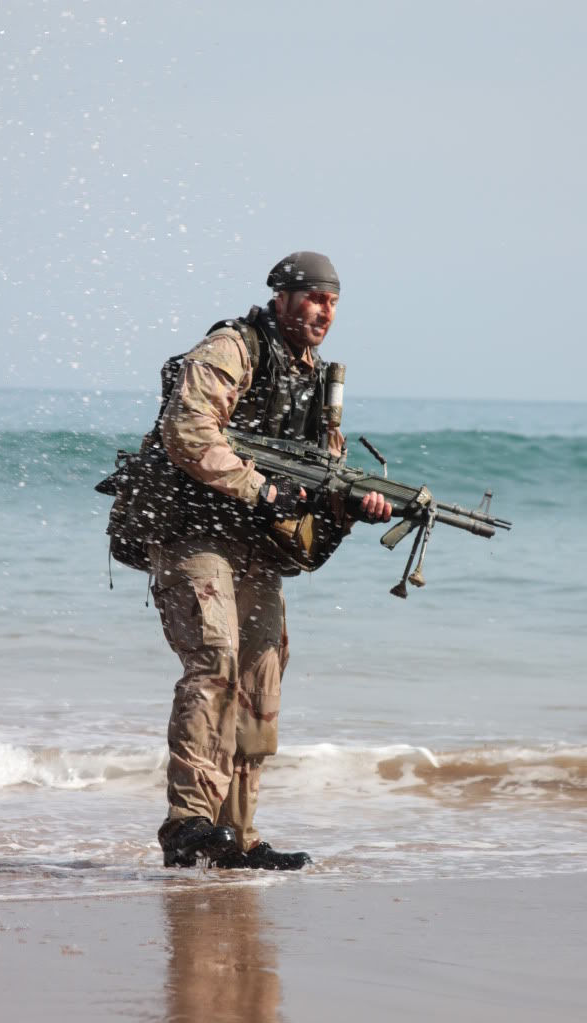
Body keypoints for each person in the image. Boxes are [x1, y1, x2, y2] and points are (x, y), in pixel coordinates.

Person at [149, 251, 392, 870]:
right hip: (192, 531)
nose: (324, 312)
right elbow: (187, 431)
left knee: (261, 675)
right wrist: (261, 488)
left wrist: (351, 507)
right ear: (280, 297)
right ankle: (188, 822)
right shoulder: (234, 349)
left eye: (333, 302)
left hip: (255, 547)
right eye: (313, 298)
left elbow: (320, 480)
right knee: (216, 658)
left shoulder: (316, 383)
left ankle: (238, 836)